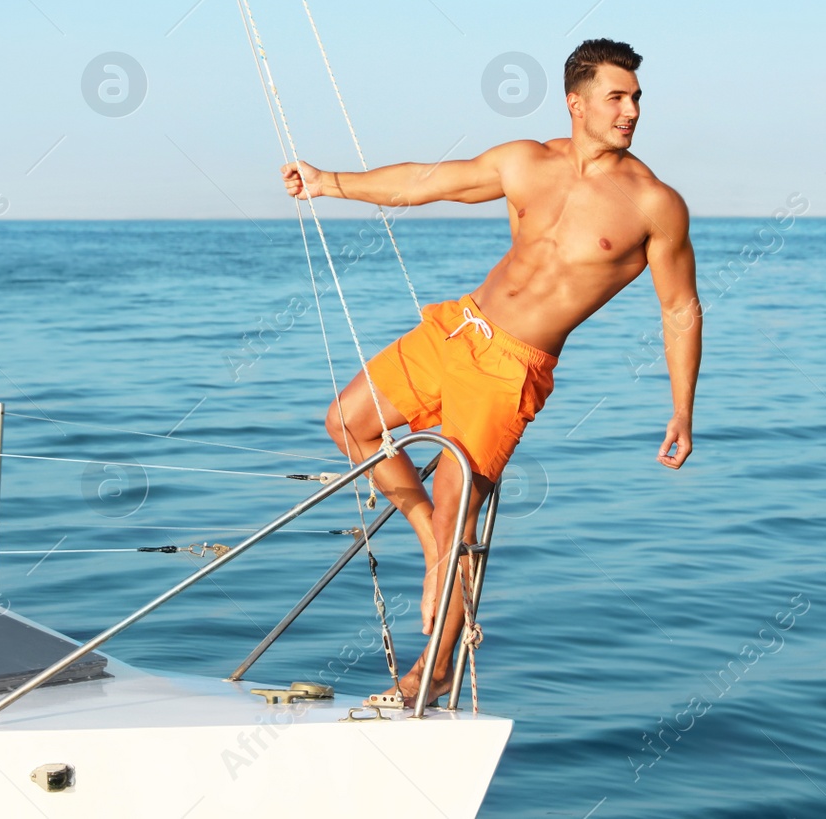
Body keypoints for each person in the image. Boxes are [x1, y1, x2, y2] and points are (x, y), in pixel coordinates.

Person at [280, 38, 702, 707]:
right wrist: (330, 182)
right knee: (349, 422)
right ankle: (429, 538)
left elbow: (679, 308)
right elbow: (427, 182)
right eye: (617, 97)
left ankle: (435, 669)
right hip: (458, 327)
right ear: (577, 103)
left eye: (636, 98)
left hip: (512, 367)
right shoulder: (525, 161)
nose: (631, 111)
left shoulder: (653, 203)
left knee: (459, 511)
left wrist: (681, 409)